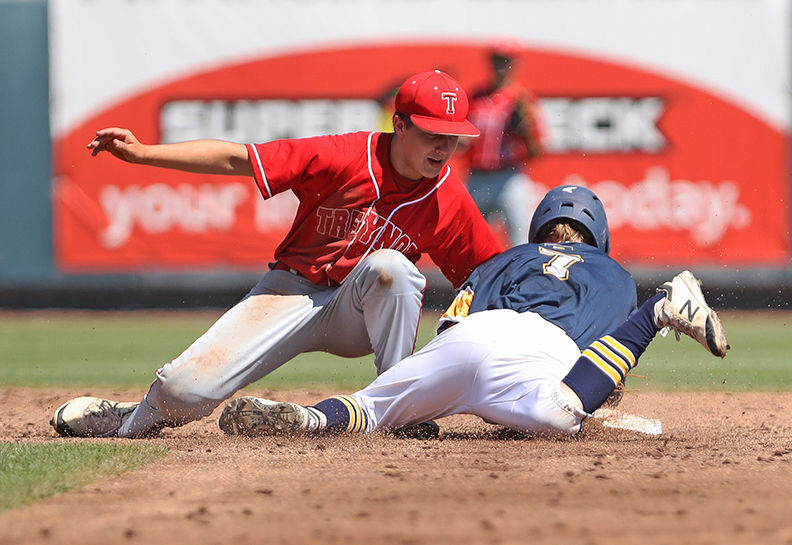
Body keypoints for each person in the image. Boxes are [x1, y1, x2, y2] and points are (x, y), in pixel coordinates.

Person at [50, 70, 504, 439]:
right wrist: (145, 154)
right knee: (182, 391)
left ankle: (397, 405)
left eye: (453, 137)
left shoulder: (450, 199)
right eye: (432, 134)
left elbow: (493, 277)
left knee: (394, 270)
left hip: (358, 315)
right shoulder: (345, 154)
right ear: (400, 124)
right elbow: (237, 159)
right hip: (293, 292)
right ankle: (131, 418)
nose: (444, 148)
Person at [215, 185, 730, 438]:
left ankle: (307, 420)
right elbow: (602, 356)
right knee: (565, 413)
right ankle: (663, 307)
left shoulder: (506, 258)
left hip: (464, 339)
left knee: (372, 410)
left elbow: (451, 323)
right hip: (541, 357)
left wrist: (449, 389)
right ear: (599, 234)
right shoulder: (612, 274)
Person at [464, 40, 547, 247]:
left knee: (521, 241)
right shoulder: (475, 96)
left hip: (509, 177)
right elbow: (460, 140)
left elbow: (538, 150)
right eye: (497, 59)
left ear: (516, 64)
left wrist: (526, 133)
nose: (501, 65)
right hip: (477, 177)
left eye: (506, 60)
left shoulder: (524, 98)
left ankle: (521, 280)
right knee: (471, 242)